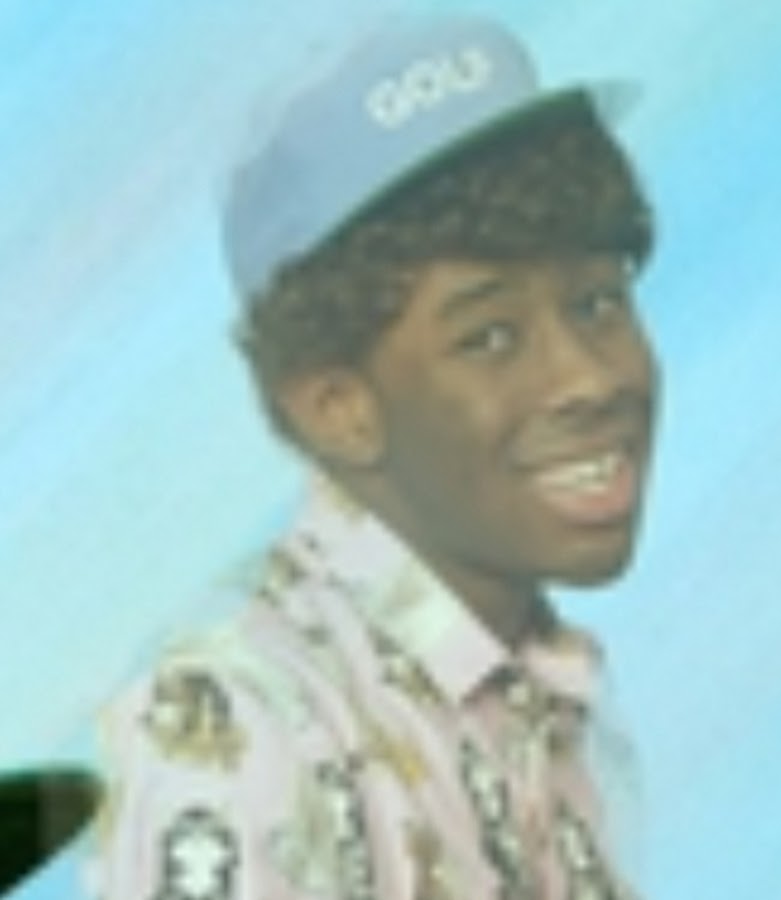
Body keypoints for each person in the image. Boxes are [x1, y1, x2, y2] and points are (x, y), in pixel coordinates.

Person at [87, 13, 659, 900]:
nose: (588, 379)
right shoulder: (241, 726)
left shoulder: (538, 697)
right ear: (338, 408)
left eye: (596, 302)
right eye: (491, 336)